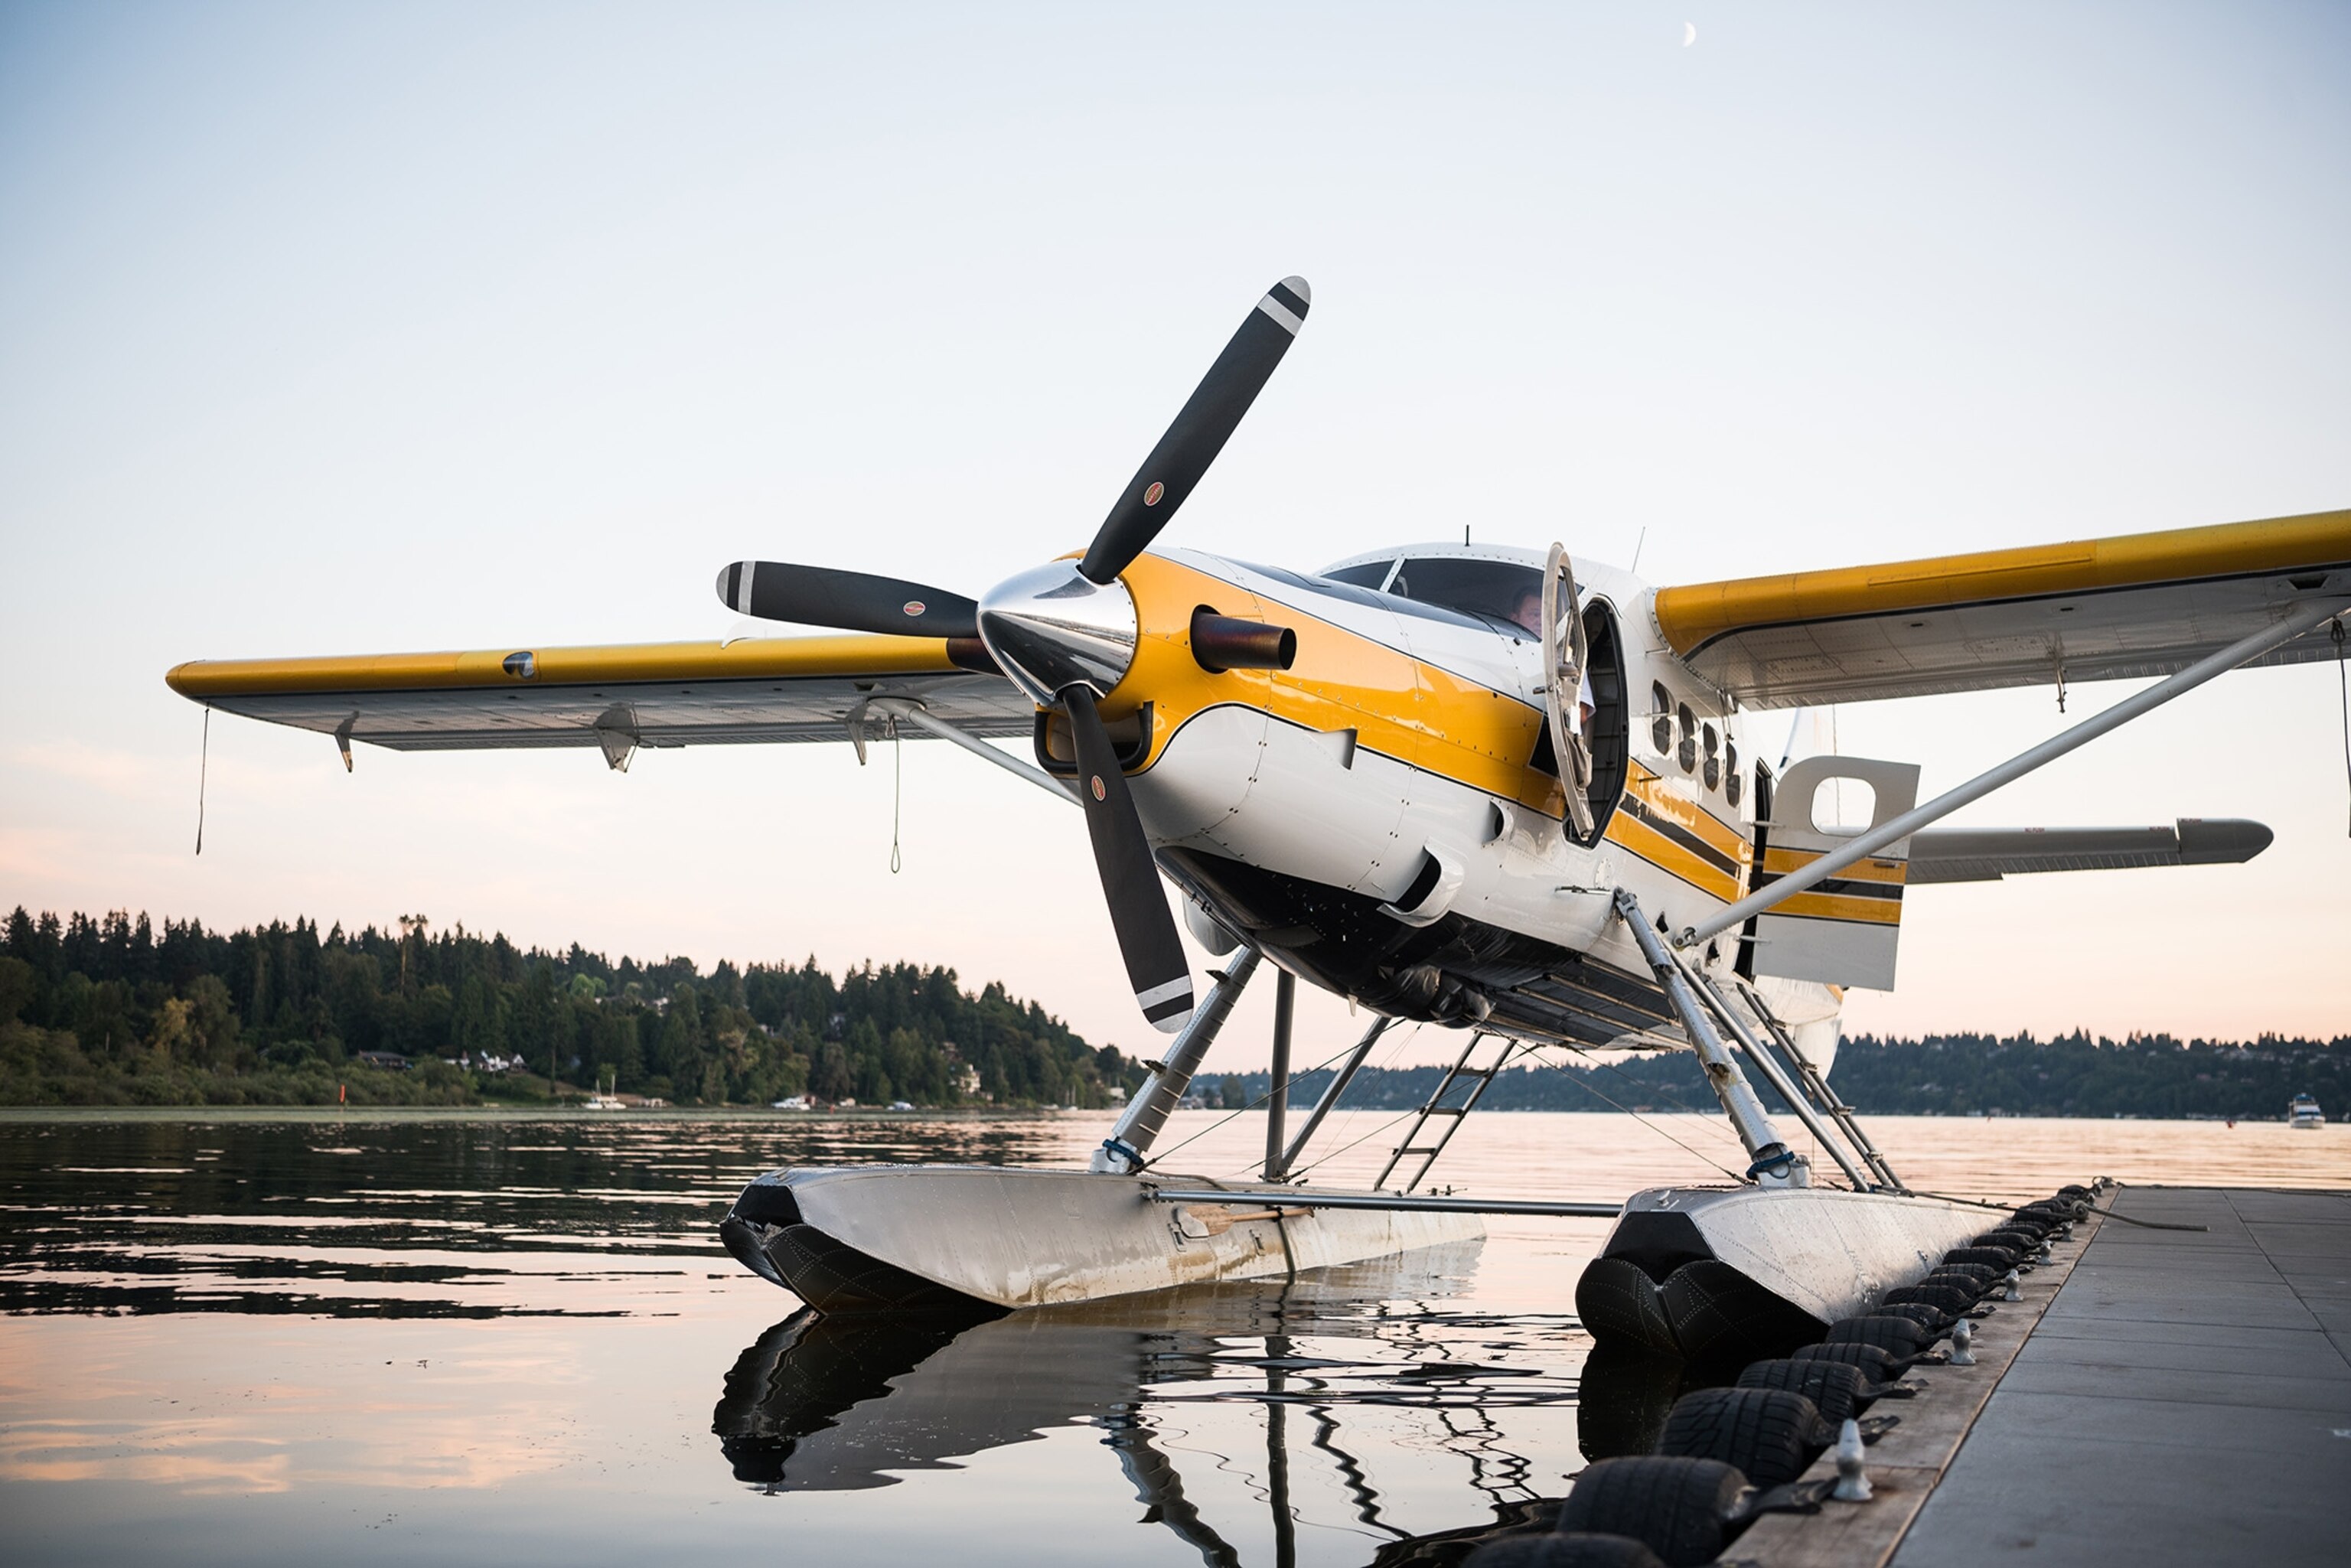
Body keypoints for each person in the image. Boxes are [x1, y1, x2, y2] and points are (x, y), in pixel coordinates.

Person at [1510, 586, 1595, 731]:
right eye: (1534, 614)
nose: (1540, 621)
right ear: (1514, 618)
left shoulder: (1568, 658)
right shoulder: (1508, 654)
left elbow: (1581, 714)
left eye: (1545, 616)